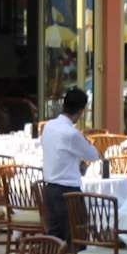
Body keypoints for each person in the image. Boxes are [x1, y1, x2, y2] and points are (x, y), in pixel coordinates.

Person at [38, 87, 97, 245]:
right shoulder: (72, 133)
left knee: (53, 241)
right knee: (77, 239)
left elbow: (58, 152)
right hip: (68, 192)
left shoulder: (48, 126)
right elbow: (93, 155)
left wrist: (76, 161)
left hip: (49, 189)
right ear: (81, 111)